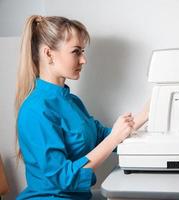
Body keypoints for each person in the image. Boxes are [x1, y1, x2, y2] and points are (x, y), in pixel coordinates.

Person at [15, 15, 148, 199]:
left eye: (82, 51)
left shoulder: (73, 102)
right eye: (76, 52)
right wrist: (114, 137)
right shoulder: (35, 110)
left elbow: (104, 136)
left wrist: (146, 113)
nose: (83, 59)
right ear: (48, 54)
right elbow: (63, 177)